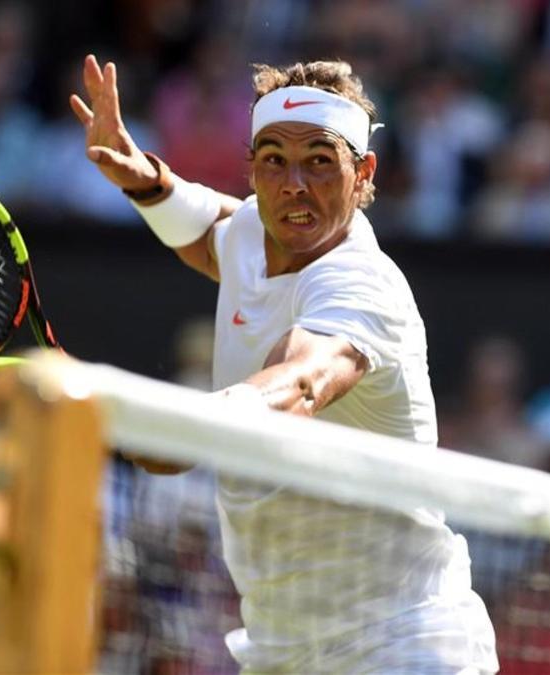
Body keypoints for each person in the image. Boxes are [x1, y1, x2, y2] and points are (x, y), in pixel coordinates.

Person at [71, 55, 498, 673]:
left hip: (402, 645)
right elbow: (210, 230)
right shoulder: (253, 228)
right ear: (252, 170)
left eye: (320, 161)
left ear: (363, 173)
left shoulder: (361, 284)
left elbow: (299, 383)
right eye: (273, 160)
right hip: (283, 649)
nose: (293, 183)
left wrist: (184, 427)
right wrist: (145, 180)